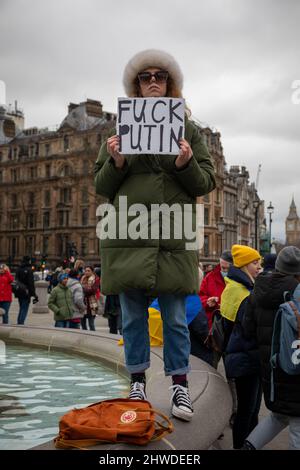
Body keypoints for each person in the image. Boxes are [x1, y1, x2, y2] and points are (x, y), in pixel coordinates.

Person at [94, 49, 216, 421]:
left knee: (176, 319)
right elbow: (101, 185)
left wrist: (185, 163)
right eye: (145, 77)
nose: (152, 82)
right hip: (128, 234)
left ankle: (180, 386)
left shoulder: (189, 130)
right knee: (132, 320)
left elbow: (206, 181)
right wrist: (116, 163)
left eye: (159, 76)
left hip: (171, 236)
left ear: (169, 83)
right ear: (136, 85)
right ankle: (137, 383)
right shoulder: (119, 130)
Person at [241, 246, 300, 450]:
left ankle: (248, 446)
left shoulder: (258, 288)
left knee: (278, 416)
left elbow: (247, 328)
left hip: (271, 369)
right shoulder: (296, 292)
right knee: (297, 424)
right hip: (295, 367)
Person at [220, 244, 262, 449]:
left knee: (247, 410)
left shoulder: (233, 287)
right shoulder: (244, 292)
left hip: (239, 355)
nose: (258, 267)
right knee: (248, 411)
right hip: (247, 357)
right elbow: (248, 329)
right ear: (244, 265)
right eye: (255, 263)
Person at [15, 256, 38, 325]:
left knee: (21, 307)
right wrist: (34, 294)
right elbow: (31, 283)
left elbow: (16, 280)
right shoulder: (29, 270)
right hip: (26, 292)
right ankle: (20, 323)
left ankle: (19, 322)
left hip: (19, 291)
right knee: (24, 308)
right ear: (29, 261)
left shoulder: (18, 269)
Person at [80, 266, 100, 331]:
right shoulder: (82, 278)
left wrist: (83, 289)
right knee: (83, 323)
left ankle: (93, 337)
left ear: (92, 271)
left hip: (92, 304)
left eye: (88, 271)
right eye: (86, 271)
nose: (87, 272)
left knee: (91, 324)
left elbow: (93, 290)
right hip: (83, 303)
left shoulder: (95, 279)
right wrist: (86, 289)